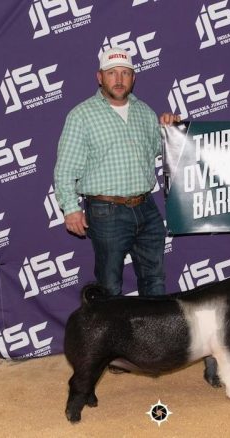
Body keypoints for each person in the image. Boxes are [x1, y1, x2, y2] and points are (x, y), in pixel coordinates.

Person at [54, 47, 166, 296]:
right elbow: (65, 168)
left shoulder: (145, 112)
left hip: (147, 207)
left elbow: (164, 150)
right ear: (100, 77)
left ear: (133, 78)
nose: (118, 79)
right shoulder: (82, 115)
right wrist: (71, 208)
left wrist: (171, 130)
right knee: (109, 285)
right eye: (112, 73)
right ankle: (111, 337)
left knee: (154, 280)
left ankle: (154, 335)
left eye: (125, 73)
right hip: (106, 212)